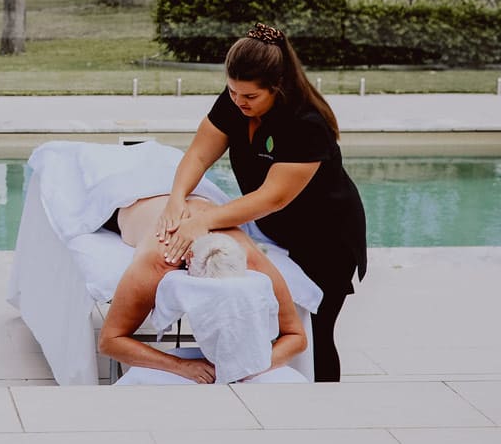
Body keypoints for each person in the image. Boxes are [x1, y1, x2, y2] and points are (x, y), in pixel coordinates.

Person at [155, 22, 367, 382]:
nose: (239, 102)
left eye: (250, 97)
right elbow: (198, 155)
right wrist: (176, 199)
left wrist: (203, 221)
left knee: (316, 331)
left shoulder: (306, 123)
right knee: (268, 320)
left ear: (277, 87)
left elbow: (274, 197)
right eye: (233, 91)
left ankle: (326, 404)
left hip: (328, 239)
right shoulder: (235, 101)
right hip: (275, 229)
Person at [98, 193, 308, 384]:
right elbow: (109, 340)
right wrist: (180, 366)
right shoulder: (156, 263)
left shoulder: (253, 261)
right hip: (132, 198)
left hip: (201, 194)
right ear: (188, 260)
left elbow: (297, 336)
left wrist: (252, 367)